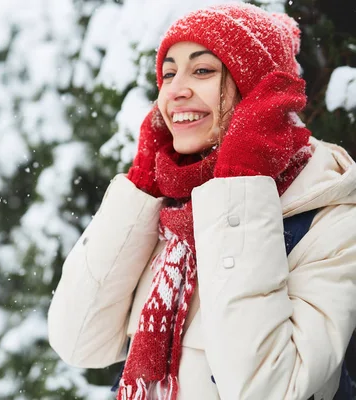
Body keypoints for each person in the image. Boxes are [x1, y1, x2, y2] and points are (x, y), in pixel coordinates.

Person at [47, 3, 356, 400]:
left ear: (257, 92)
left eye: (203, 70)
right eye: (169, 73)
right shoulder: (171, 209)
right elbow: (78, 341)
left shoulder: (330, 221)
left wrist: (242, 182)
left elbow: (269, 390)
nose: (174, 90)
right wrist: (142, 185)